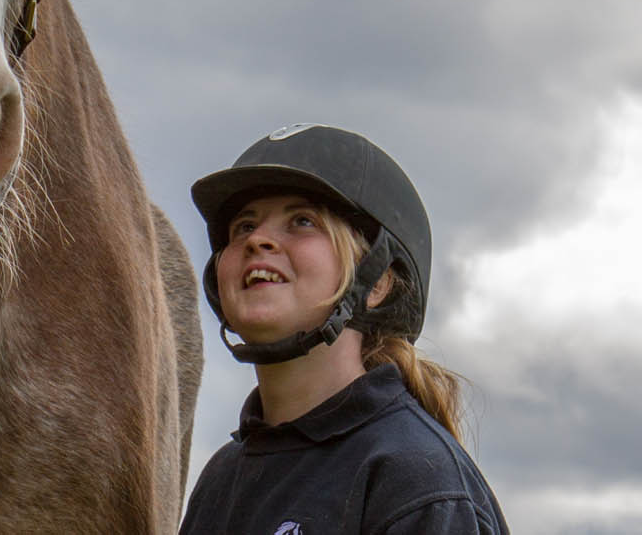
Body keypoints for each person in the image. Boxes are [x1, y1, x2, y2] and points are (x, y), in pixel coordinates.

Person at [179, 124, 509, 535]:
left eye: (302, 221)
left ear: (377, 283)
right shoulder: (222, 477)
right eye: (243, 226)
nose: (258, 240)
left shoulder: (415, 482)